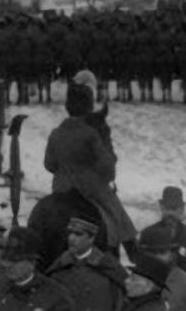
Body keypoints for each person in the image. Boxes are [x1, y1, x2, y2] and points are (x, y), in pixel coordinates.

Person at [43, 82, 137, 258]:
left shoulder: (56, 133)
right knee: (116, 211)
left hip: (60, 189)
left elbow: (49, 164)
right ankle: (132, 251)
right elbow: (108, 169)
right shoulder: (91, 133)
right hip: (90, 189)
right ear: (89, 106)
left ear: (67, 107)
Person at [45, 213, 126, 311]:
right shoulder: (58, 269)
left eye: (78, 234)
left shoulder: (109, 268)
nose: (72, 238)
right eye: (70, 233)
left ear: (91, 238)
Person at [0, 227, 73, 310]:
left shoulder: (55, 294)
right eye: (5, 259)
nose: (7, 265)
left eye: (15, 261)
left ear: (32, 262)